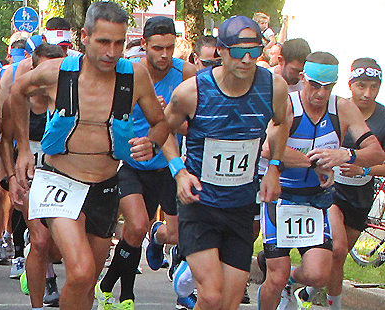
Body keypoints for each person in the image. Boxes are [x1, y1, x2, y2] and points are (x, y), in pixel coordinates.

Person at [8, 3, 171, 310]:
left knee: (87, 281)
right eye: (103, 42)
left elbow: (160, 122)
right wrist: (24, 150)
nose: (112, 51)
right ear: (84, 37)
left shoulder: (135, 77)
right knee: (81, 272)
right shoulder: (58, 72)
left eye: (119, 43)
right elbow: (17, 91)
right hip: (60, 179)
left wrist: (152, 142)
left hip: (105, 184)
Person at [163, 15, 292, 310]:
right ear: (221, 50)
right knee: (210, 296)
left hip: (240, 205)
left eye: (254, 51)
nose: (247, 59)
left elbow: (283, 122)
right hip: (200, 203)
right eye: (237, 50)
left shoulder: (274, 87)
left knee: (230, 303)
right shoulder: (191, 92)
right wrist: (179, 172)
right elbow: (162, 131)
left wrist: (274, 169)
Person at [258, 53, 384, 309]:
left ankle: (290, 284)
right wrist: (314, 162)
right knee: (276, 275)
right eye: (314, 85)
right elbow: (267, 148)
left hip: (317, 201)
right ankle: (279, 285)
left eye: (327, 87)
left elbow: (376, 151)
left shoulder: (343, 108)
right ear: (303, 79)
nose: (320, 93)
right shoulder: (289, 105)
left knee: (318, 274)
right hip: (282, 198)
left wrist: (346, 154)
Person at [97, 15, 197, 310]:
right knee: (136, 225)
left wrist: (171, 120)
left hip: (168, 165)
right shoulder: (129, 75)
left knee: (173, 234)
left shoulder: (187, 73)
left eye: (169, 47)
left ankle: (109, 281)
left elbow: (194, 126)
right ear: (144, 45)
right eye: (157, 48)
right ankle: (126, 296)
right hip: (130, 165)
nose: (164, 55)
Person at [0, 43, 67, 308]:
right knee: (40, 239)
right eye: (46, 69)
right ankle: (38, 302)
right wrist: (10, 177)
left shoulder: (69, 101)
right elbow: (6, 141)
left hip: (61, 178)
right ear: (34, 69)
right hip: (29, 179)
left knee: (55, 248)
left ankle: (38, 263)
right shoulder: (18, 100)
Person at [319, 57, 385, 310]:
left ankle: (302, 286)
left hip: (361, 195)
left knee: (338, 259)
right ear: (350, 85)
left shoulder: (383, 117)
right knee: (337, 249)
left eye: (373, 87)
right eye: (361, 86)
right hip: (331, 191)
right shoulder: (337, 110)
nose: (367, 93)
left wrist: (365, 167)